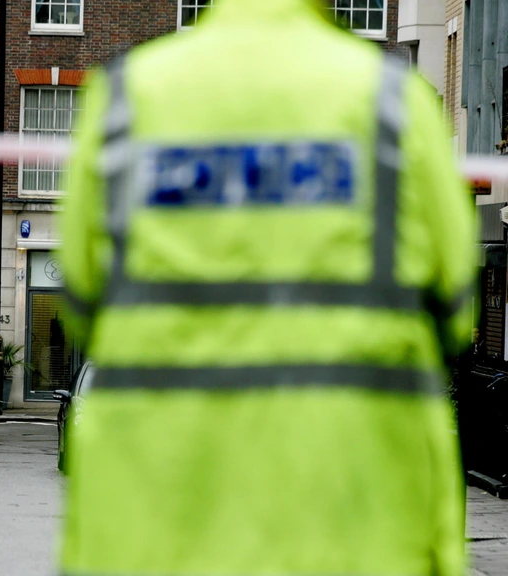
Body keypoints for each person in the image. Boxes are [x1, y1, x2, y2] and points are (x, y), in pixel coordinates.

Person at [56, 1, 476, 575]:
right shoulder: (392, 101)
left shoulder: (130, 96)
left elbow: (79, 298)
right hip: (356, 519)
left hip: (160, 521)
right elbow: (456, 305)